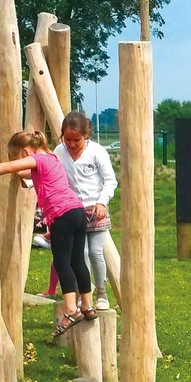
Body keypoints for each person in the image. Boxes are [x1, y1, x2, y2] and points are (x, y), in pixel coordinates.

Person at [0, 129, 94, 336]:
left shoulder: (37, 158)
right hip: (77, 211)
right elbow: (21, 172)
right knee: (77, 261)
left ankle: (71, 310)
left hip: (61, 215)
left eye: (19, 156)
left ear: (24, 152)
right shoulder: (51, 159)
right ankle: (87, 305)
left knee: (62, 262)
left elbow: (10, 167)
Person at [54, 112, 117, 311]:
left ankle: (101, 293)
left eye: (77, 140)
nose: (72, 144)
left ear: (86, 135)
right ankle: (84, 294)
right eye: (68, 139)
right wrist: (29, 182)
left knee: (95, 252)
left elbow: (110, 180)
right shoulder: (58, 152)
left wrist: (102, 202)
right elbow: (50, 176)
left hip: (95, 209)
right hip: (72, 212)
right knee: (78, 255)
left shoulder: (97, 152)